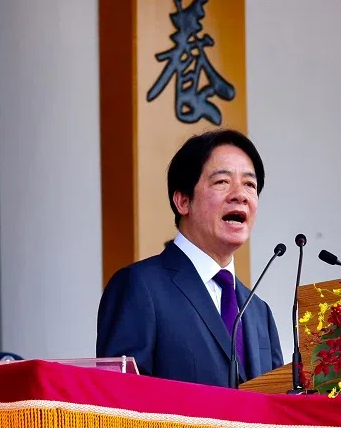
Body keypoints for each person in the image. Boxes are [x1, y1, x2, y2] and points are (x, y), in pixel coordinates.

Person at [96, 129, 283, 387]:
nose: (240, 195)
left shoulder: (259, 311)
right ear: (183, 201)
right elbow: (119, 399)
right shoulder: (139, 286)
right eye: (222, 182)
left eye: (250, 184)